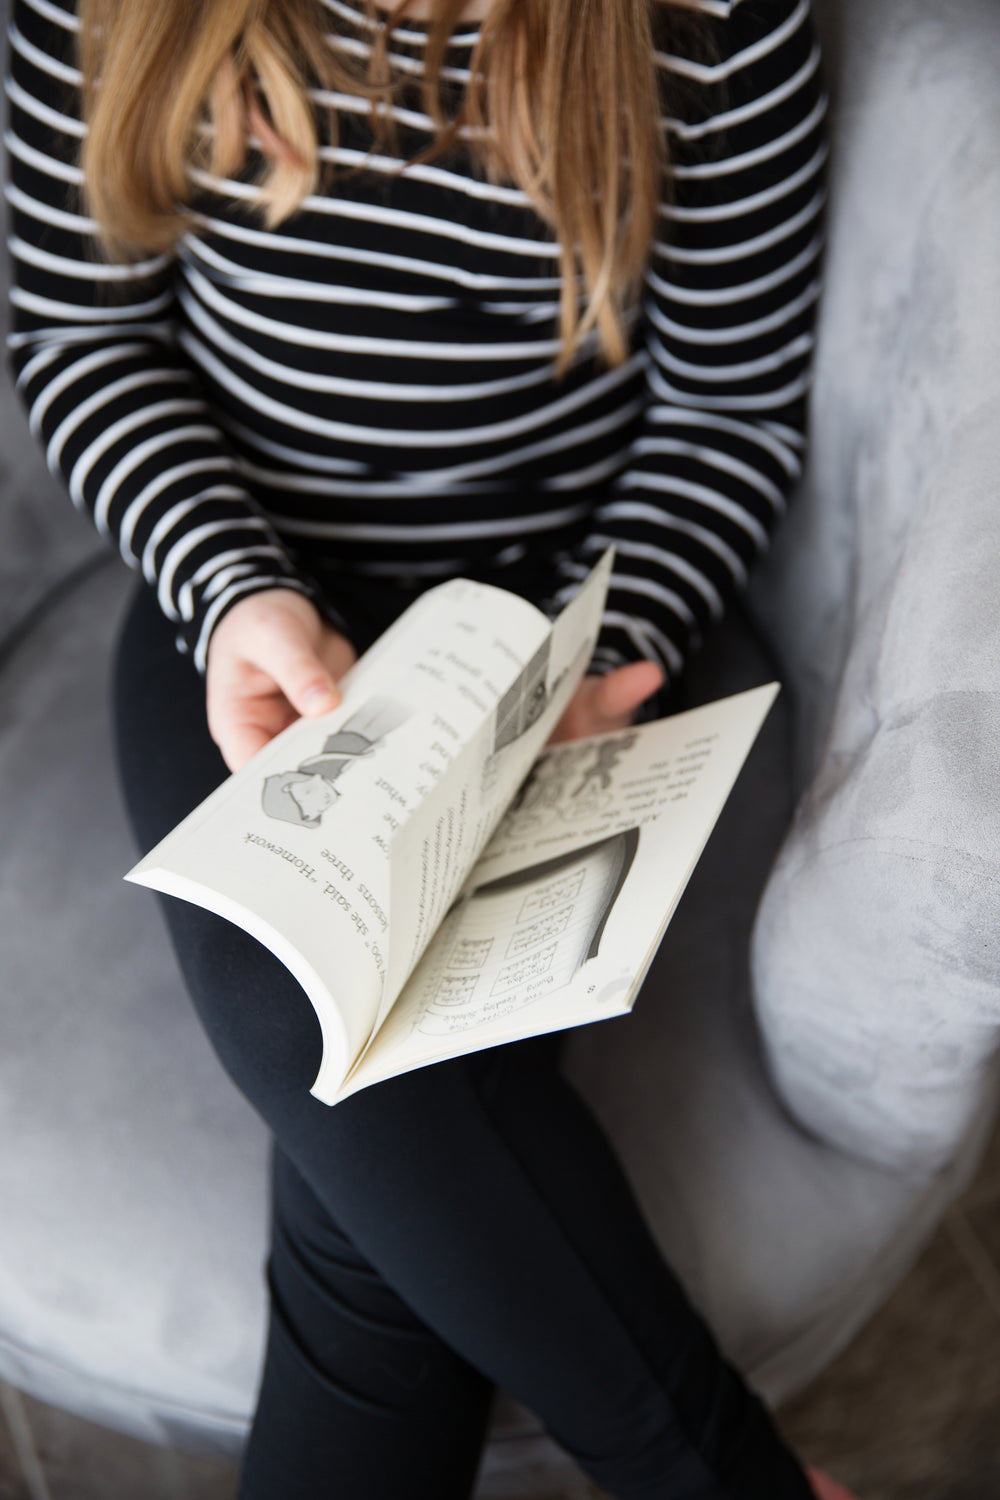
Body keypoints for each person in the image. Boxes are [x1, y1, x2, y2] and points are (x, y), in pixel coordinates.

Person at [5, 0, 860, 1495]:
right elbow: (79, 334)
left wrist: (588, 674)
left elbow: (728, 410)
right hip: (259, 600)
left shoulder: (711, 25)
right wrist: (233, 587)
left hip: (563, 619)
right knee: (307, 1023)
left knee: (362, 1149)